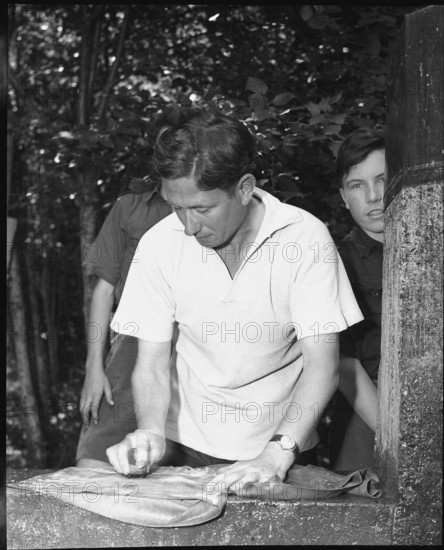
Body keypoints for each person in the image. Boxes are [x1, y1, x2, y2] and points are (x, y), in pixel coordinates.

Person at [105, 109, 364, 490]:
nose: (189, 227)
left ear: (244, 188)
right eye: (177, 208)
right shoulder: (159, 244)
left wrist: (278, 453)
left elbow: (323, 365)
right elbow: (152, 365)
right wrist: (150, 432)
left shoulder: (305, 239)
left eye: (202, 209)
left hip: (283, 443)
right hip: (186, 444)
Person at [76, 106, 198, 468]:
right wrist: (93, 368)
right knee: (95, 461)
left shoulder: (213, 207)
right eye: (165, 143)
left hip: (197, 337)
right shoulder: (130, 207)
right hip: (134, 340)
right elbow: (103, 291)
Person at [328, 127, 385, 472]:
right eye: (358, 186)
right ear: (344, 197)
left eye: (383, 179)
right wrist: (393, 435)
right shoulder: (332, 262)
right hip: (365, 407)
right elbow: (342, 363)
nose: (375, 196)